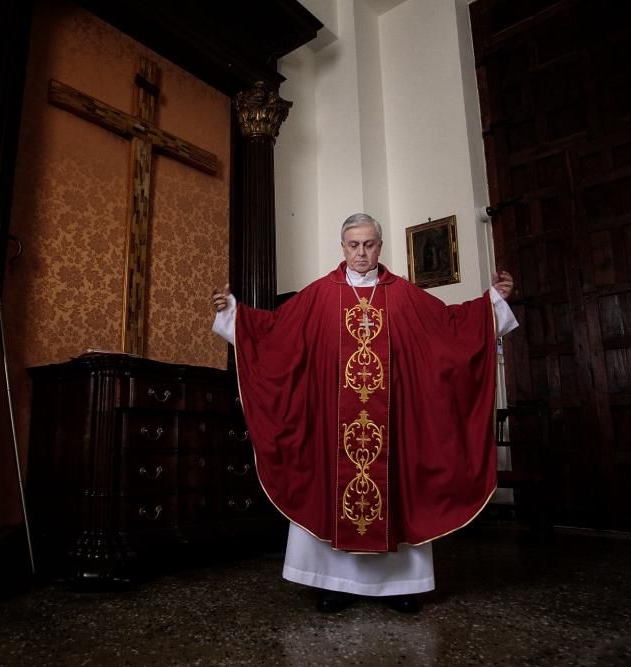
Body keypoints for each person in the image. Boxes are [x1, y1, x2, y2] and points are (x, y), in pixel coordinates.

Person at [210, 213, 518, 614]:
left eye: (369, 244)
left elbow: (450, 327)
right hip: (332, 425)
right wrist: (234, 311)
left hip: (392, 426)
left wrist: (492, 302)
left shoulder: (404, 295)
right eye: (353, 245)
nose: (361, 252)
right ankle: (334, 582)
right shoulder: (320, 295)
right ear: (342, 247)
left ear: (380, 246)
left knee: (397, 489)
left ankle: (400, 585)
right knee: (330, 488)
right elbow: (275, 332)